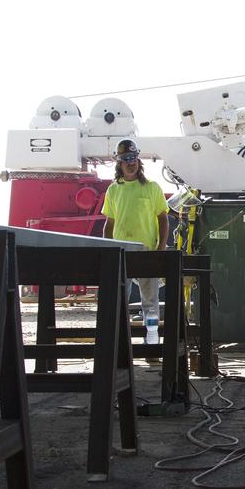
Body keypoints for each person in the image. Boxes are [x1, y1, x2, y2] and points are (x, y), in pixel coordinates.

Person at [101, 139, 170, 353]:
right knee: (118, 300)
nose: (130, 163)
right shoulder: (113, 191)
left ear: (138, 161)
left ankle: (151, 343)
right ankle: (119, 346)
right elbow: (109, 224)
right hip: (121, 254)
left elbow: (163, 219)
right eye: (125, 160)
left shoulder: (151, 188)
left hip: (146, 253)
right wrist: (107, 250)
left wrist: (160, 249)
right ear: (119, 163)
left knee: (150, 302)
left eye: (133, 158)